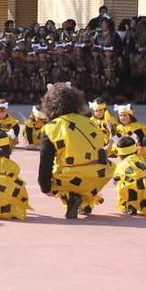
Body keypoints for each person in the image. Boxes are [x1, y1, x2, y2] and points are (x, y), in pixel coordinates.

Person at [37, 82, 114, 219]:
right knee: (86, 171)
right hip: (100, 175)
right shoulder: (90, 121)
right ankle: (85, 202)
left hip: (72, 177)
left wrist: (45, 187)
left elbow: (46, 161)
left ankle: (71, 197)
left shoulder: (51, 127)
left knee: (58, 173)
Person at [111, 137, 146, 217]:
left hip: (136, 194)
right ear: (137, 150)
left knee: (120, 184)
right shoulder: (142, 160)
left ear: (119, 155)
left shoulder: (122, 165)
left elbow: (115, 181)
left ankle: (128, 205)